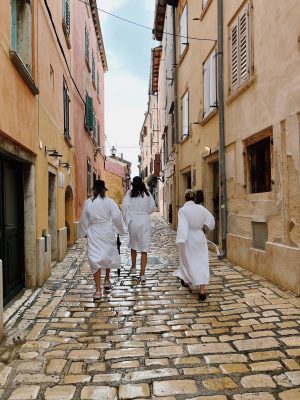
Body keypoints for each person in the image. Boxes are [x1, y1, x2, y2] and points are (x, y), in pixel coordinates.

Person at [80, 180, 125, 300]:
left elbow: (83, 219)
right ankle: (107, 280)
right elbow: (116, 217)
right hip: (106, 231)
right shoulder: (110, 202)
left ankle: (98, 289)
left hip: (94, 232)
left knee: (94, 259)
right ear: (104, 190)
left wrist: (84, 233)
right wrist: (120, 231)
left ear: (94, 190)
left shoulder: (88, 203)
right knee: (107, 255)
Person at [172, 189, 215, 301]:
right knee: (202, 262)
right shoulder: (201, 209)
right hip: (200, 237)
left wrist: (181, 239)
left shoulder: (183, 210)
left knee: (188, 261)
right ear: (194, 198)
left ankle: (186, 281)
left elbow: (183, 226)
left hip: (189, 238)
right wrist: (205, 227)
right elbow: (211, 220)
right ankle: (202, 291)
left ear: (185, 198)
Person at [122, 176, 156, 283]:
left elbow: (124, 207)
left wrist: (127, 220)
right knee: (144, 248)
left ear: (133, 184)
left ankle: (133, 267)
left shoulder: (129, 194)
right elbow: (152, 207)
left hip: (133, 221)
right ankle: (142, 274)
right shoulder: (147, 194)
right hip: (144, 221)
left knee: (133, 245)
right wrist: (145, 212)